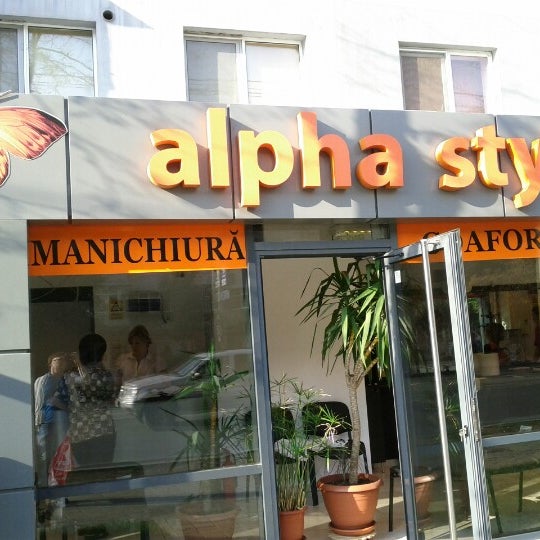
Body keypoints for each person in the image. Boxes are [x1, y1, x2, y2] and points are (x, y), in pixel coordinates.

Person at [65, 333, 116, 467]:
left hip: (78, 431)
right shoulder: (105, 376)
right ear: (101, 354)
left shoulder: (69, 376)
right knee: (103, 470)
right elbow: (112, 399)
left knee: (85, 472)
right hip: (102, 430)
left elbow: (59, 400)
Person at [34, 352, 71, 483]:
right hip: (45, 421)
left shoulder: (66, 380)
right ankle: (43, 483)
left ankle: (56, 482)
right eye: (57, 360)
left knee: (60, 454)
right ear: (50, 364)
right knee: (43, 454)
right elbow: (40, 401)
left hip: (62, 421)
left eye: (62, 361)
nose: (60, 363)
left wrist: (63, 407)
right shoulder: (43, 380)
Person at [114, 325, 163, 390]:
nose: (133, 346)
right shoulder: (122, 359)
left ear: (146, 343)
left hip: (148, 395)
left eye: (137, 343)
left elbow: (164, 385)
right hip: (127, 395)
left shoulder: (157, 361)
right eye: (132, 343)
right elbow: (117, 383)